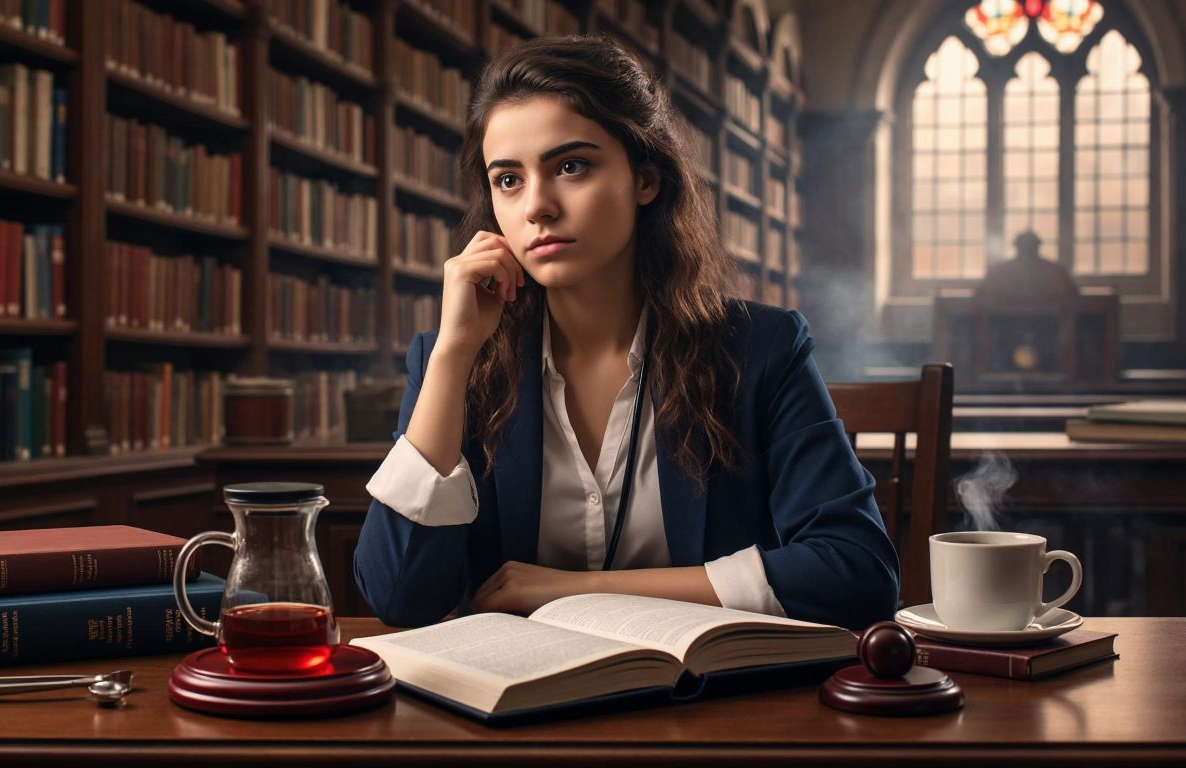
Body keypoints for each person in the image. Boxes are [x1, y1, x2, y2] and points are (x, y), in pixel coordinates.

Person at [354, 35, 898, 630]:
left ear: (645, 179)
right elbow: (398, 597)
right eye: (508, 180)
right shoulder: (449, 361)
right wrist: (455, 353)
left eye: (570, 166)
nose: (537, 206)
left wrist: (576, 591)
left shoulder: (760, 348)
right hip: (514, 710)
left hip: (709, 707)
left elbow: (857, 572)